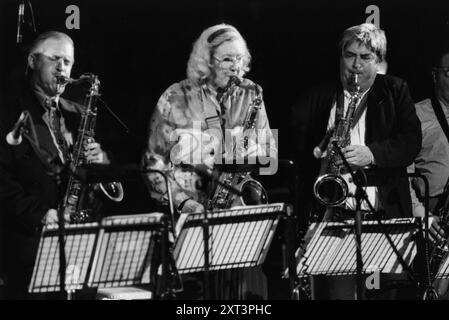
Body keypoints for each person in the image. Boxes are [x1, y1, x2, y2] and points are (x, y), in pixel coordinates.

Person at [142, 24, 277, 299]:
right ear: (206, 61)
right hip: (185, 221)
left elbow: (269, 156)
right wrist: (183, 203)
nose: (235, 67)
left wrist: (245, 155)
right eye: (227, 59)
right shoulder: (175, 96)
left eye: (240, 59)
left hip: (234, 221)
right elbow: (152, 162)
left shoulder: (252, 94)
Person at [291, 23, 422, 299]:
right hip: (335, 218)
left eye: (366, 58)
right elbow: (301, 153)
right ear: (340, 57)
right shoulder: (321, 95)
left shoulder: (395, 90)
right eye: (350, 55)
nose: (356, 66)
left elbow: (410, 143)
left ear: (378, 61)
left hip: (383, 216)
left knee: (387, 296)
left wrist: (371, 154)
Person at [0, 31, 110, 299]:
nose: (63, 68)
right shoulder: (7, 113)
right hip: (29, 245)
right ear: (33, 61)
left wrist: (101, 162)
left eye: (68, 62)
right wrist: (41, 215)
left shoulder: (77, 113)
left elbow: (92, 174)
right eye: (55, 59)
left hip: (77, 242)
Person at [409, 44, 449, 299]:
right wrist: (420, 214)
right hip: (435, 216)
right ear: (435, 75)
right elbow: (402, 172)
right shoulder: (416, 114)